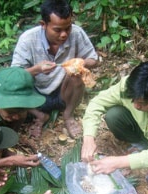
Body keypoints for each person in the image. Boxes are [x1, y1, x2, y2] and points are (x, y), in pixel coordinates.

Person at [11, 0, 98, 139]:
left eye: (68, 28)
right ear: (43, 25)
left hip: (63, 92)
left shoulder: (76, 33)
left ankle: (68, 115)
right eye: (57, 30)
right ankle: (39, 115)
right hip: (35, 95)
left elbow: (94, 60)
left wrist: (81, 62)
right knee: (11, 85)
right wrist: (36, 69)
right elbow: (13, 75)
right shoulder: (28, 39)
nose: (64, 34)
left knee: (78, 73)